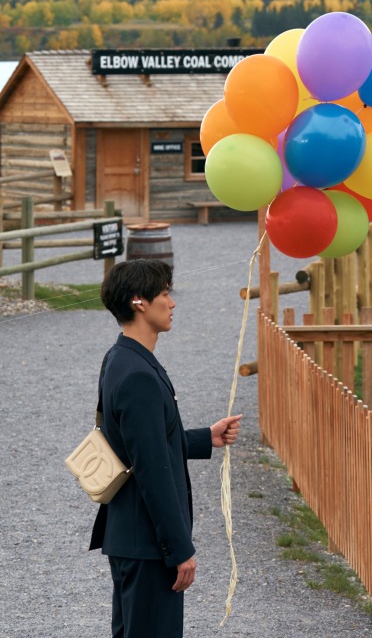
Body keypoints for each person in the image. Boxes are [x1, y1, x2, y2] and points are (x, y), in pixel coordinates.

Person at [90, 258, 242, 638]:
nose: (172, 303)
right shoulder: (138, 374)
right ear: (139, 302)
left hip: (131, 539)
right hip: (147, 545)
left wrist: (205, 437)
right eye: (163, 294)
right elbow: (152, 468)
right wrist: (178, 549)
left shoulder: (120, 357)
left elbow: (145, 443)